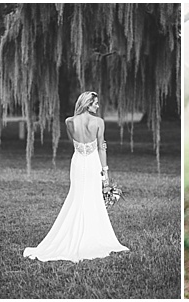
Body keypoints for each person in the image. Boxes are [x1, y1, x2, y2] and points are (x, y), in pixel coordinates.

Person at [23, 91, 129, 262]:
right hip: (93, 162)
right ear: (87, 104)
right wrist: (105, 174)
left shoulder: (69, 122)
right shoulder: (99, 122)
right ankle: (90, 237)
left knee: (78, 197)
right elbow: (102, 148)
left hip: (78, 162)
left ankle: (76, 233)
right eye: (95, 103)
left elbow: (75, 142)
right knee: (91, 197)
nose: (98, 106)